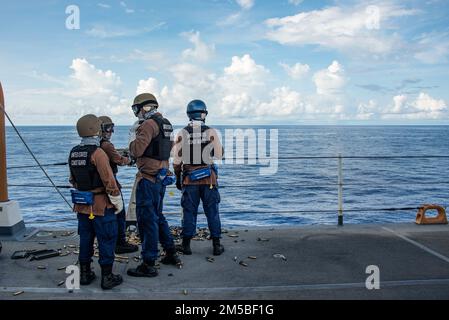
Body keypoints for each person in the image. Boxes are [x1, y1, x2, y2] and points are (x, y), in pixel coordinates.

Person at [126, 93, 181, 278]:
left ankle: (148, 263)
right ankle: (171, 252)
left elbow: (137, 150)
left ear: (144, 108)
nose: (137, 114)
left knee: (147, 220)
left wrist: (133, 135)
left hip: (148, 179)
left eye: (137, 109)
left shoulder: (148, 124)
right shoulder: (166, 123)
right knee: (158, 216)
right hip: (161, 176)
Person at [68, 114, 123, 290]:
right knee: (106, 239)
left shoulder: (74, 151)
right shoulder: (98, 153)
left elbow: (72, 180)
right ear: (95, 130)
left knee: (85, 239)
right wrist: (116, 200)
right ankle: (107, 277)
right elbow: (109, 181)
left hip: (82, 205)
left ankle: (84, 274)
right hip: (100, 205)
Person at [173, 100, 224, 256]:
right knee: (212, 212)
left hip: (190, 180)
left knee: (189, 212)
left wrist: (177, 178)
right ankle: (216, 246)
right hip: (209, 179)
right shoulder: (211, 132)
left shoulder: (182, 133)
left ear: (189, 114)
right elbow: (219, 154)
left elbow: (176, 161)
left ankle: (186, 245)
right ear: (203, 114)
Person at [98, 116, 138, 254]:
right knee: (120, 214)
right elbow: (118, 160)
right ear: (100, 129)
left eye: (112, 128)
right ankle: (120, 243)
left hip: (98, 186)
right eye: (108, 128)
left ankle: (107, 241)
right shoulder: (106, 145)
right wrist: (130, 160)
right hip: (110, 182)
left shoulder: (95, 145)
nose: (111, 132)